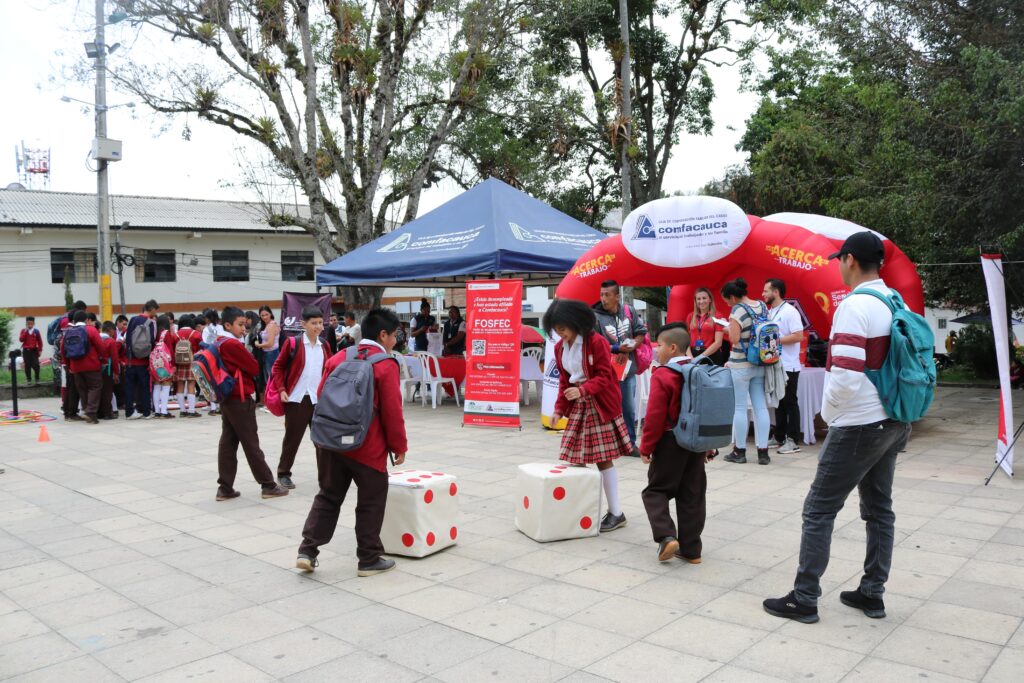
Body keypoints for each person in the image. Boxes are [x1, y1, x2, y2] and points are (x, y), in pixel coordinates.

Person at [764, 231, 912, 624]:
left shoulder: (854, 306)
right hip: (895, 418)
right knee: (880, 509)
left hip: (860, 422)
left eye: (839, 260)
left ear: (849, 259)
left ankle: (805, 596)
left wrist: (828, 415)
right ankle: (871, 593)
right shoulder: (893, 298)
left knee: (819, 509)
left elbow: (844, 376)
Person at [296, 308, 407, 576]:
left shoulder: (338, 357)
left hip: (331, 443)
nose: (395, 340)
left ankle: (307, 551)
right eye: (394, 335)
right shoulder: (385, 364)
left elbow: (323, 394)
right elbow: (392, 411)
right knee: (371, 499)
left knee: (328, 495)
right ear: (382, 334)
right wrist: (399, 447)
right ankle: (368, 559)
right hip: (367, 447)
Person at [546, 299, 632, 532]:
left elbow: (605, 376)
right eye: (556, 329)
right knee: (575, 459)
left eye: (562, 328)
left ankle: (616, 512)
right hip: (579, 405)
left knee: (603, 459)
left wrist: (583, 389)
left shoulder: (596, 342)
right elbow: (565, 381)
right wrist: (558, 410)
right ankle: (582, 511)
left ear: (576, 322)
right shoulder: (559, 347)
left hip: (598, 403)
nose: (560, 333)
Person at [639, 323, 711, 563]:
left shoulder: (664, 374)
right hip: (697, 443)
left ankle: (667, 537)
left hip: (671, 441)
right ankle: (692, 551)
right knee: (692, 494)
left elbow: (655, 416)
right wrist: (709, 444)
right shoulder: (700, 371)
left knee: (655, 491)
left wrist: (646, 447)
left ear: (672, 348)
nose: (656, 350)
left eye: (659, 345)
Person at [214, 306, 289, 501]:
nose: (243, 329)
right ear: (227, 325)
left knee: (228, 442)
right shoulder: (232, 344)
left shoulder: (219, 341)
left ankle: (225, 487)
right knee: (250, 442)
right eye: (239, 325)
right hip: (240, 397)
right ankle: (268, 484)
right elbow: (254, 367)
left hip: (228, 397)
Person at [272, 305, 329, 489]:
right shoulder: (292, 343)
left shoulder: (325, 345)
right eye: (314, 323)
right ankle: (283, 474)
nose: (318, 326)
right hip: (297, 399)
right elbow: (278, 367)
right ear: (303, 324)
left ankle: (326, 477)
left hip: (318, 400)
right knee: (292, 439)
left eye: (320, 322)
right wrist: (281, 388)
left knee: (322, 441)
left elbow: (330, 370)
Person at [592, 280, 648, 457]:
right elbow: (593, 344)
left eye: (607, 295)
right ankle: (609, 443)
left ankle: (630, 444)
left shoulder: (628, 311)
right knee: (607, 407)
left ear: (617, 296)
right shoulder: (595, 316)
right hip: (605, 371)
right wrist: (616, 349)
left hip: (627, 370)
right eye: (601, 294)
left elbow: (640, 332)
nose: (603, 299)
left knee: (628, 408)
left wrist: (632, 346)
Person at [721, 278, 772, 465]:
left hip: (741, 365)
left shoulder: (738, 310)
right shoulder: (761, 306)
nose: (727, 304)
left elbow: (734, 339)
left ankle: (739, 451)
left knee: (740, 408)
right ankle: (763, 452)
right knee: (761, 407)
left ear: (733, 297)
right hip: (760, 362)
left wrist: (726, 328)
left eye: (727, 300)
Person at [763, 279, 805, 454]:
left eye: (766, 291)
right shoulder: (771, 312)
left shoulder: (790, 311)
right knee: (778, 401)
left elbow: (798, 336)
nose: (763, 294)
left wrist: (775, 341)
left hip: (789, 365)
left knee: (789, 402)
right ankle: (779, 436)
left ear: (776, 292)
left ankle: (793, 439)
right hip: (775, 364)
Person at [63, 309, 108, 424]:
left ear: (74, 320)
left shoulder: (68, 332)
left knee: (82, 389)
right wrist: (103, 359)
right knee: (95, 387)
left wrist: (69, 366)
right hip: (91, 364)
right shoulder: (91, 330)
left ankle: (87, 410)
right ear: (87, 320)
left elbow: (64, 351)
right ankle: (91, 413)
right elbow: (101, 347)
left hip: (75, 366)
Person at [124, 299, 160, 420]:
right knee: (144, 387)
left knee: (129, 388)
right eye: (155, 310)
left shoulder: (132, 320)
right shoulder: (151, 323)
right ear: (152, 309)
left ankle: (129, 412)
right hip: (143, 361)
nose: (155, 313)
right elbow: (152, 342)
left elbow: (128, 339)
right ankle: (146, 412)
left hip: (130, 361)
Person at [171, 314, 202, 418]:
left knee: (180, 385)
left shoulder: (175, 335)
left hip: (179, 363)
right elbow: (200, 348)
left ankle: (182, 410)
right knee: (191, 385)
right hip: (192, 362)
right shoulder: (196, 334)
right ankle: (192, 411)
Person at [688, 288, 726, 365]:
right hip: (693, 355)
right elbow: (686, 340)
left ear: (710, 300)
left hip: (711, 355)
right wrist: (690, 357)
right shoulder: (690, 316)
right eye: (698, 299)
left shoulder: (717, 316)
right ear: (695, 301)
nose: (701, 301)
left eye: (704, 298)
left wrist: (700, 357)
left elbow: (718, 343)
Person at [150, 314, 176, 419]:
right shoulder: (166, 333)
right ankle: (164, 411)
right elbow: (169, 349)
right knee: (166, 384)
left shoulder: (154, 333)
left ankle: (157, 411)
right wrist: (173, 365)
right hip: (165, 362)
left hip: (155, 362)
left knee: (156, 385)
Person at [203, 309, 223, 415]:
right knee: (220, 379)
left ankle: (213, 406)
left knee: (210, 380)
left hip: (210, 355)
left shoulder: (206, 329)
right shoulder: (221, 328)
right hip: (221, 355)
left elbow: (205, 343)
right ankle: (221, 405)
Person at [98, 321, 120, 419]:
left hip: (96, 368)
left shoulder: (96, 339)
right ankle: (107, 413)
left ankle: (99, 412)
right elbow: (115, 359)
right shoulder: (111, 341)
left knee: (98, 390)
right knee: (107, 391)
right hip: (107, 368)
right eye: (114, 331)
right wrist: (116, 372)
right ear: (110, 330)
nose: (114, 333)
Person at [255, 305, 280, 388]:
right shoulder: (266, 325)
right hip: (268, 353)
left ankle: (274, 398)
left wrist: (259, 345)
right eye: (262, 315)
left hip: (272, 353)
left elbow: (270, 343)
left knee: (272, 377)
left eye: (266, 314)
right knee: (269, 378)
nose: (265, 317)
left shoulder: (272, 325)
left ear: (270, 314)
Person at [19, 316, 43, 384]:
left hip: (34, 351)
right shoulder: (23, 331)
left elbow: (40, 341)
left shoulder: (36, 331)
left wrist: (40, 350)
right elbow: (21, 339)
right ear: (26, 324)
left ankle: (37, 378)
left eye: (31, 324)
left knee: (36, 365)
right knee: (27, 365)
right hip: (26, 351)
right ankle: (29, 379)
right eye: (28, 324)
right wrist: (25, 331)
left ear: (33, 323)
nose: (30, 325)